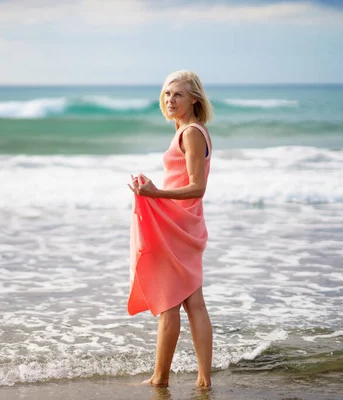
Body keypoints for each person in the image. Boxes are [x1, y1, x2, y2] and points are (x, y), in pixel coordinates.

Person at [127, 70, 214, 388]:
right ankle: (202, 380)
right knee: (192, 302)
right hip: (183, 222)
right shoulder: (192, 130)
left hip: (178, 225)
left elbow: (196, 187)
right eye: (166, 94)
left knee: (170, 304)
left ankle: (161, 378)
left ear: (194, 98)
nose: (170, 99)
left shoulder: (190, 133)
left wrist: (155, 193)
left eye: (177, 94)